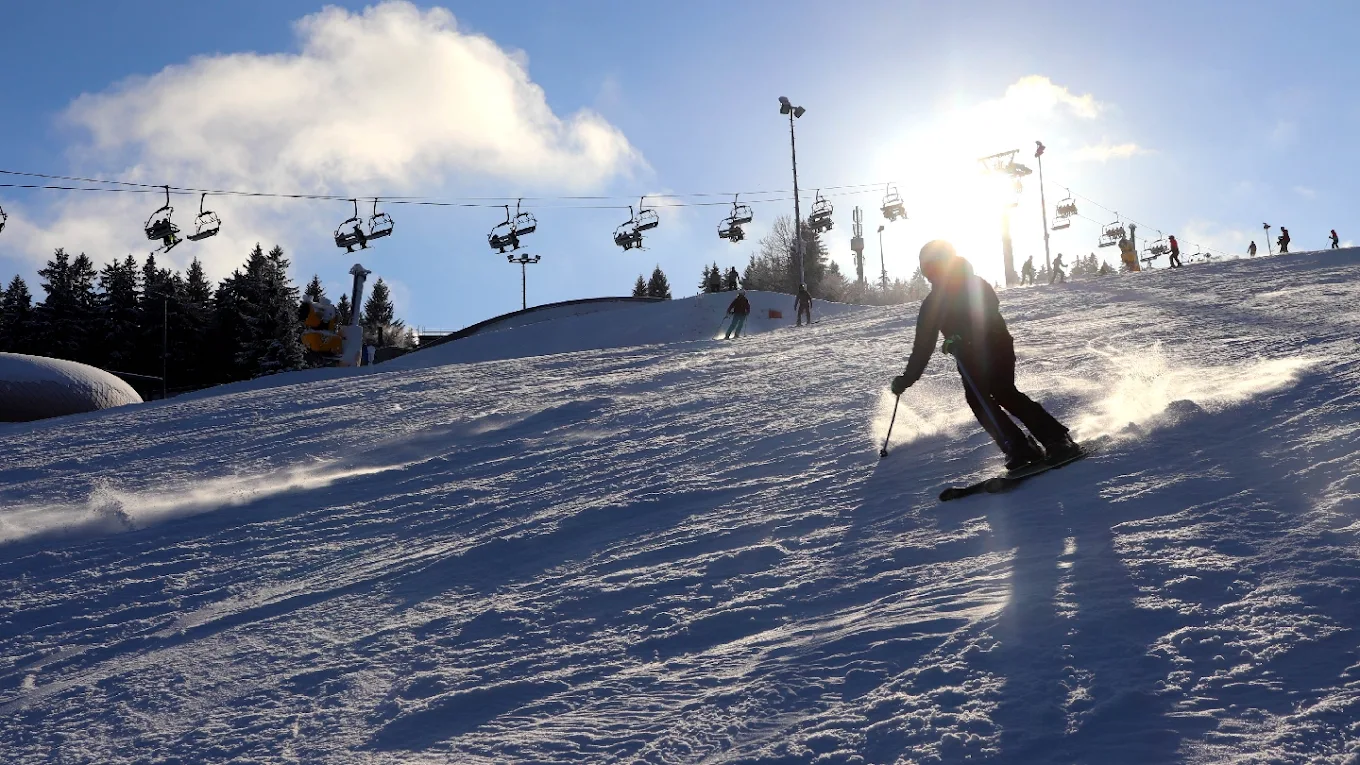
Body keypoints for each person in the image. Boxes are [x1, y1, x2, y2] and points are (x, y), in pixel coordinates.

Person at [890, 240, 1076, 471]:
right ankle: (1017, 446)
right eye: (927, 268)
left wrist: (963, 335)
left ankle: (1055, 438)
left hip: (995, 344)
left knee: (1002, 390)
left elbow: (988, 308)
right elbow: (923, 345)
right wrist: (907, 378)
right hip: (968, 357)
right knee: (977, 400)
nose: (931, 272)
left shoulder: (972, 283)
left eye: (934, 265)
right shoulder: (931, 304)